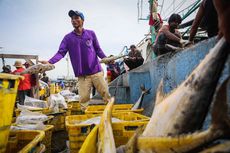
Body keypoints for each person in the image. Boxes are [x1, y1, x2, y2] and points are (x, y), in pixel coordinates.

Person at [39, 10, 111, 110]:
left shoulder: (91, 34)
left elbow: (98, 49)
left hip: (96, 71)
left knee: (106, 94)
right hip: (82, 76)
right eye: (72, 19)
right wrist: (50, 62)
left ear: (82, 20)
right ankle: (86, 122)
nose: (74, 20)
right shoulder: (68, 38)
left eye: (76, 18)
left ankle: (110, 115)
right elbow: (61, 52)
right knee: (84, 100)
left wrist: (106, 59)